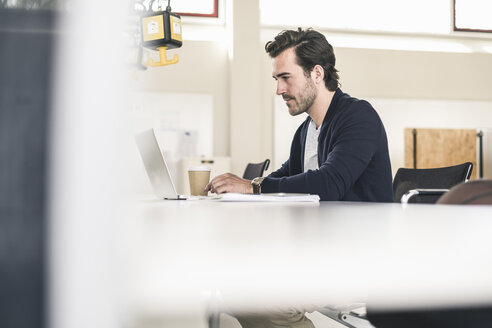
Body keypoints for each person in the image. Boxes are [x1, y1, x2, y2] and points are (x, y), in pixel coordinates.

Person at [205, 27, 393, 203]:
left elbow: (329, 183)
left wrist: (252, 187)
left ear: (317, 74)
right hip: (324, 232)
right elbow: (285, 176)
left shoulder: (359, 117)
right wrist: (243, 185)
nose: (279, 90)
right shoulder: (306, 130)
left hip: (363, 235)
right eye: (276, 79)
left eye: (286, 78)